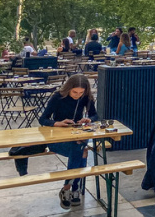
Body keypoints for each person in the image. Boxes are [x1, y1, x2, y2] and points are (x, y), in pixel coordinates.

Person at [38, 74, 98, 209]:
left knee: (80, 147)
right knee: (81, 150)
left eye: (81, 93)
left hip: (76, 137)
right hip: (56, 139)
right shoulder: (57, 97)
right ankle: (73, 188)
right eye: (75, 92)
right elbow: (43, 119)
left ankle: (67, 189)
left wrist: (89, 120)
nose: (77, 95)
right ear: (68, 88)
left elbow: (94, 115)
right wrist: (57, 123)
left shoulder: (86, 97)